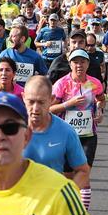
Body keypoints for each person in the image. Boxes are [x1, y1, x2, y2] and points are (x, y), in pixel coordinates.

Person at [22, 76, 91, 204]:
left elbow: (83, 170)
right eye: (31, 102)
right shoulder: (9, 129)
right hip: (17, 206)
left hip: (50, 208)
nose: (35, 108)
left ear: (52, 100)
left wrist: (67, 195)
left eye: (41, 102)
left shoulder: (66, 131)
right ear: (23, 98)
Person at [51, 48, 104, 177]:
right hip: (66, 135)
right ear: (70, 64)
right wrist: (68, 104)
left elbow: (101, 99)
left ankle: (80, 197)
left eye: (82, 62)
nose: (79, 65)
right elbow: (48, 109)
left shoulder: (93, 83)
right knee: (68, 176)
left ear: (88, 64)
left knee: (84, 173)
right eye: (75, 62)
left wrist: (99, 109)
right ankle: (70, 196)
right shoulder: (61, 84)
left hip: (88, 134)